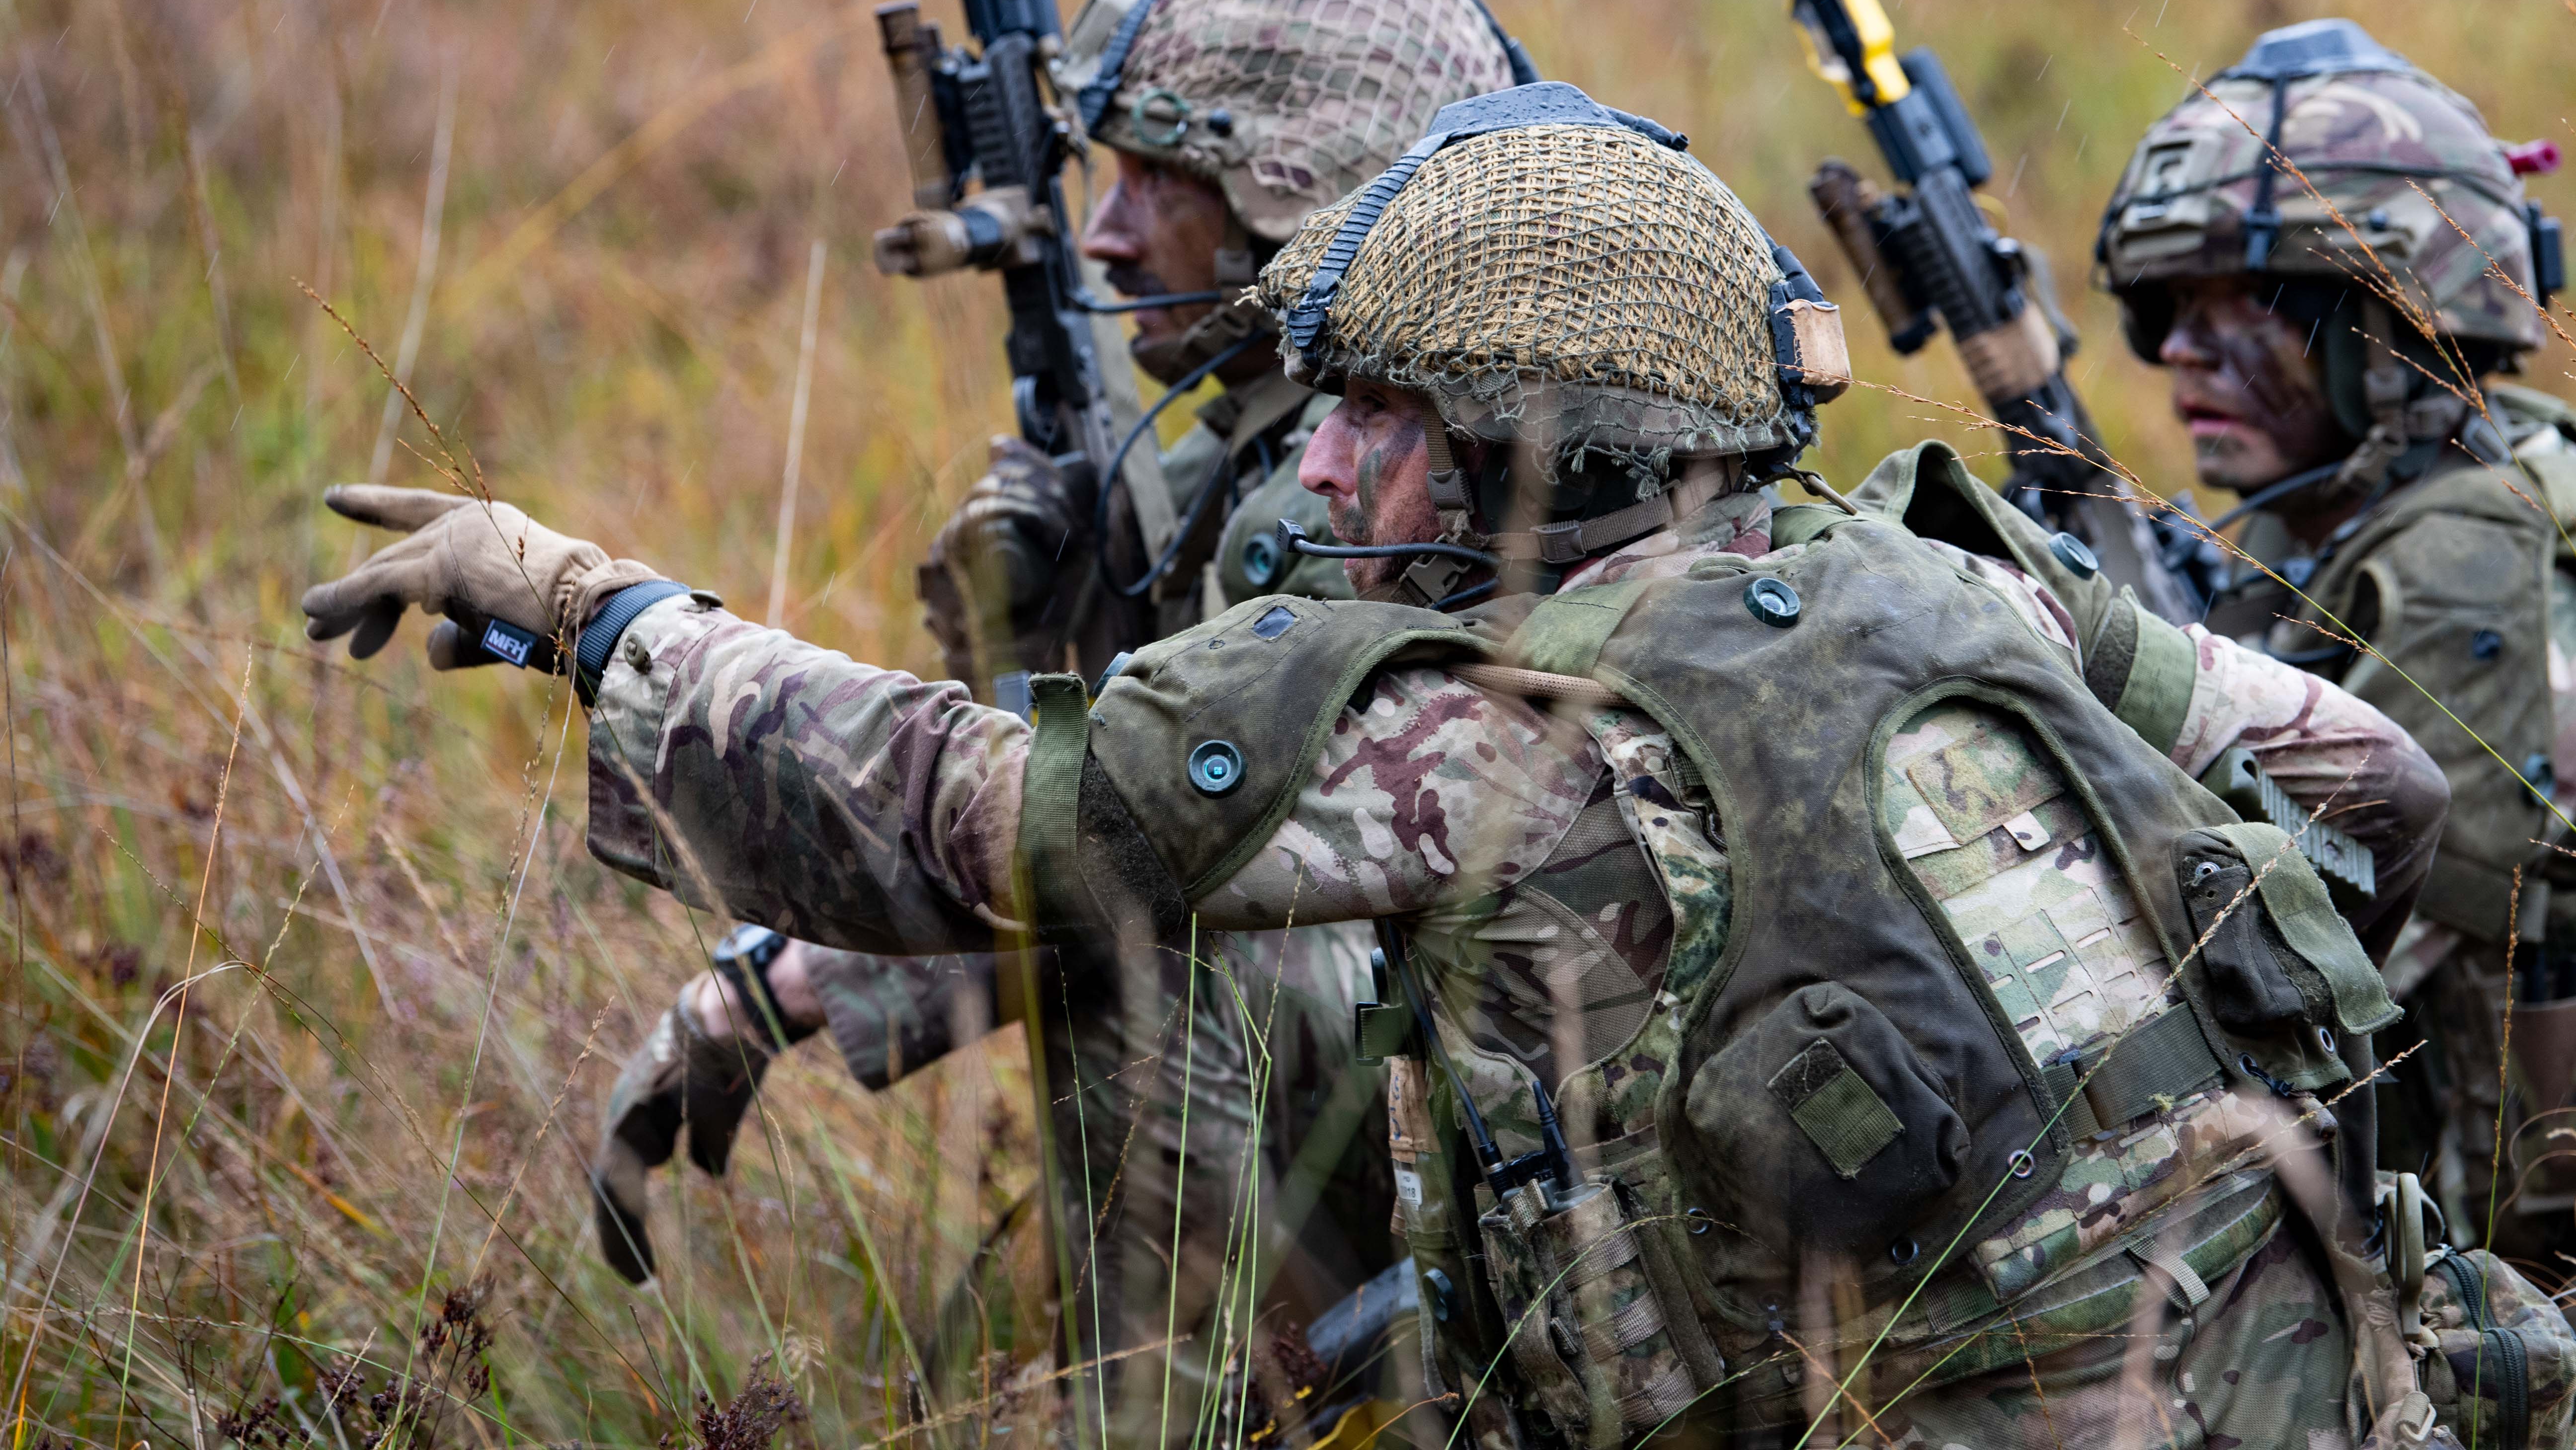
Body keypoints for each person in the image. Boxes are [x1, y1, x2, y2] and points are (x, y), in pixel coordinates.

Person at [309, 81, 2466, 1447]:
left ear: (1543, 443)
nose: (1319, 456)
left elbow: (975, 819)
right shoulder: (1956, 574)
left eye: (1376, 409)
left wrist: (605, 613)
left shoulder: (1483, 727)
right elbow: (2378, 777)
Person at [578, 0, 1530, 1445]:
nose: (1103, 228)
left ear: (1305, 196)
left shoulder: (1365, 493)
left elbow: (1135, 850)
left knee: (1157, 948)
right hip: (1552, 1145)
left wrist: (784, 984)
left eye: (1160, 178)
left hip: (1547, 1180)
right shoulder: (1362, 429)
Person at [2098, 15, 2576, 1433]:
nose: (2184, 358)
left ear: (2396, 329)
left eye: (2250, 309)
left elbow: (2295, 979)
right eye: (2168, 313)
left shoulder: (2474, 575)